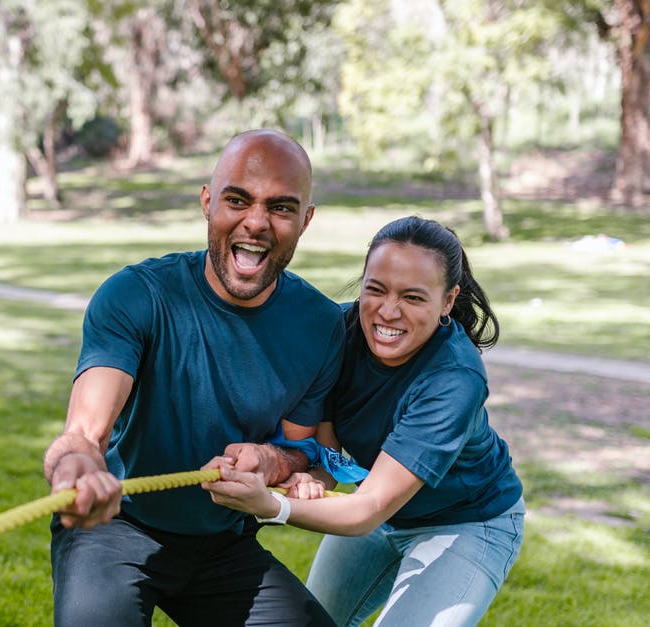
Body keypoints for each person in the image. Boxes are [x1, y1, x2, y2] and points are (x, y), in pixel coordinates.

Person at [42, 129, 344, 626]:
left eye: (281, 208)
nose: (256, 222)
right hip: (114, 527)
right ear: (207, 202)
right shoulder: (136, 295)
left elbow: (308, 455)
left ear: (305, 220)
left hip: (223, 544)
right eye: (237, 200)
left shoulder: (321, 325)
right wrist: (77, 464)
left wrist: (272, 460)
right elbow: (83, 432)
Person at [203, 216, 525, 627]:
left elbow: (367, 509)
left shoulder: (455, 379)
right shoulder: (340, 334)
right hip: (380, 507)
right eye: (375, 289)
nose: (387, 312)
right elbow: (330, 457)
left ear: (448, 300)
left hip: (467, 521)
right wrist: (311, 479)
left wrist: (271, 506)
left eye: (412, 297)